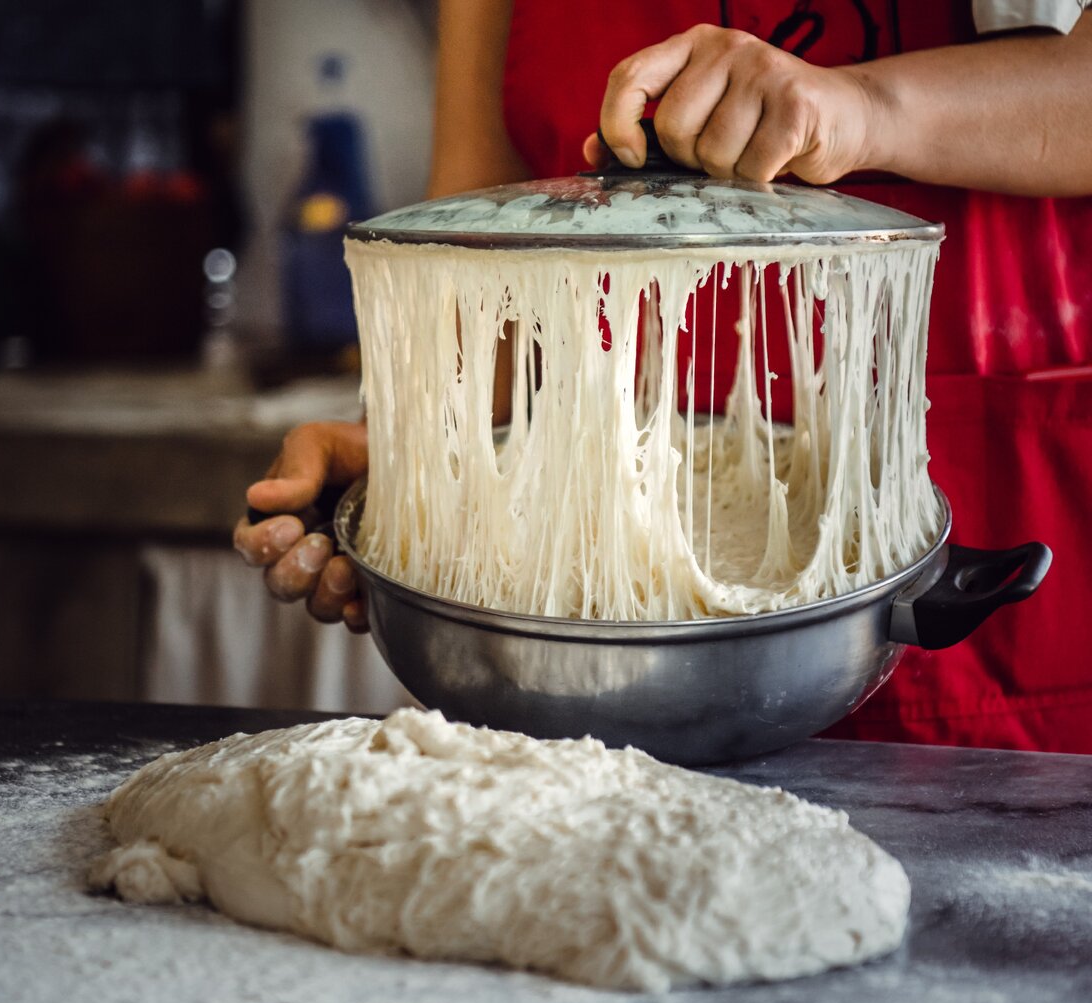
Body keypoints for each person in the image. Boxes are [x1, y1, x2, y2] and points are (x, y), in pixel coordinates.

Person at [235, 0, 1092, 753]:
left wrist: (865, 106)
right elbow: (484, 240)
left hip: (982, 627)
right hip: (586, 665)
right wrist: (422, 458)